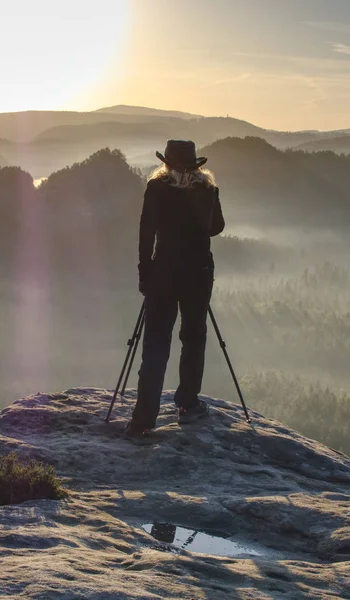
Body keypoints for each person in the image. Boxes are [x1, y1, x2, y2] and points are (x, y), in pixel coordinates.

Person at [124, 139, 225, 440]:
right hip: (198, 274)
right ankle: (188, 404)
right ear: (196, 166)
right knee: (193, 338)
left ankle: (143, 420)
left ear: (165, 163)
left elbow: (146, 234)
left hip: (163, 274)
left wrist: (145, 275)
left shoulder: (156, 189)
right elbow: (216, 227)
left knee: (155, 344)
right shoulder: (207, 191)